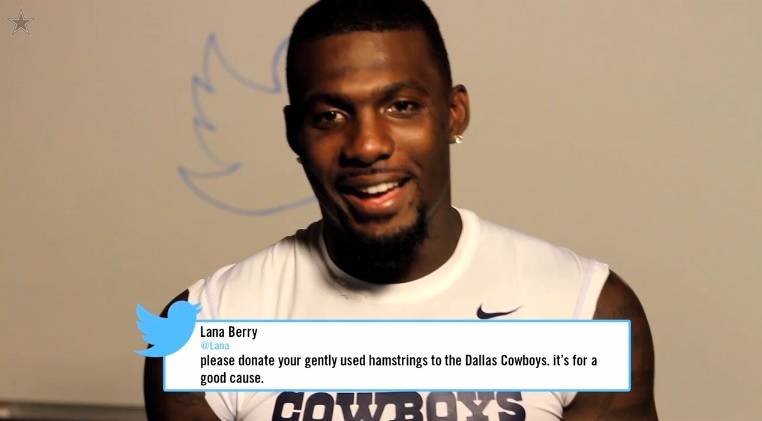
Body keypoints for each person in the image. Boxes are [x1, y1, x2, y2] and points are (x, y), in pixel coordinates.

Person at [144, 0, 657, 419]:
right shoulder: (204, 334)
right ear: (294, 133)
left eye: (402, 107)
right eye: (330, 115)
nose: (367, 145)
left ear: (453, 114)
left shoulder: (585, 312)